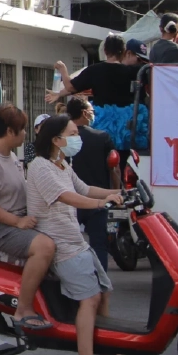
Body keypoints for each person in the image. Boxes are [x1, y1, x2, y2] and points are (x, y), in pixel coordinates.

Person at [28, 115, 128, 355]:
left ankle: (107, 351)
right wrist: (99, 204)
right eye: (72, 134)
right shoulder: (40, 167)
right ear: (56, 140)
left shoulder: (62, 164)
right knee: (90, 299)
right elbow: (66, 196)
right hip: (60, 246)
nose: (77, 139)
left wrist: (118, 192)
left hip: (75, 241)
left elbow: (84, 189)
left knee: (103, 292)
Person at [0, 104, 55, 330]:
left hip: (18, 221)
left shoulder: (10, 157)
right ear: (10, 131)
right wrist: (17, 221)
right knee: (44, 247)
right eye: (23, 129)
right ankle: (23, 310)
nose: (26, 133)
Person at [47, 35, 147, 151]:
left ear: (105, 51)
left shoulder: (94, 70)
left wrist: (63, 69)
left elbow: (70, 87)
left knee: (102, 155)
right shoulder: (133, 71)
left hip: (102, 122)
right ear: (124, 51)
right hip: (127, 125)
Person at [66, 98, 116, 271]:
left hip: (72, 201)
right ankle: (100, 281)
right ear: (85, 113)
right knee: (99, 245)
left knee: (68, 245)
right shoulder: (101, 137)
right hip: (96, 200)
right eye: (91, 111)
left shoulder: (61, 142)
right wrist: (115, 191)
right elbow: (113, 168)